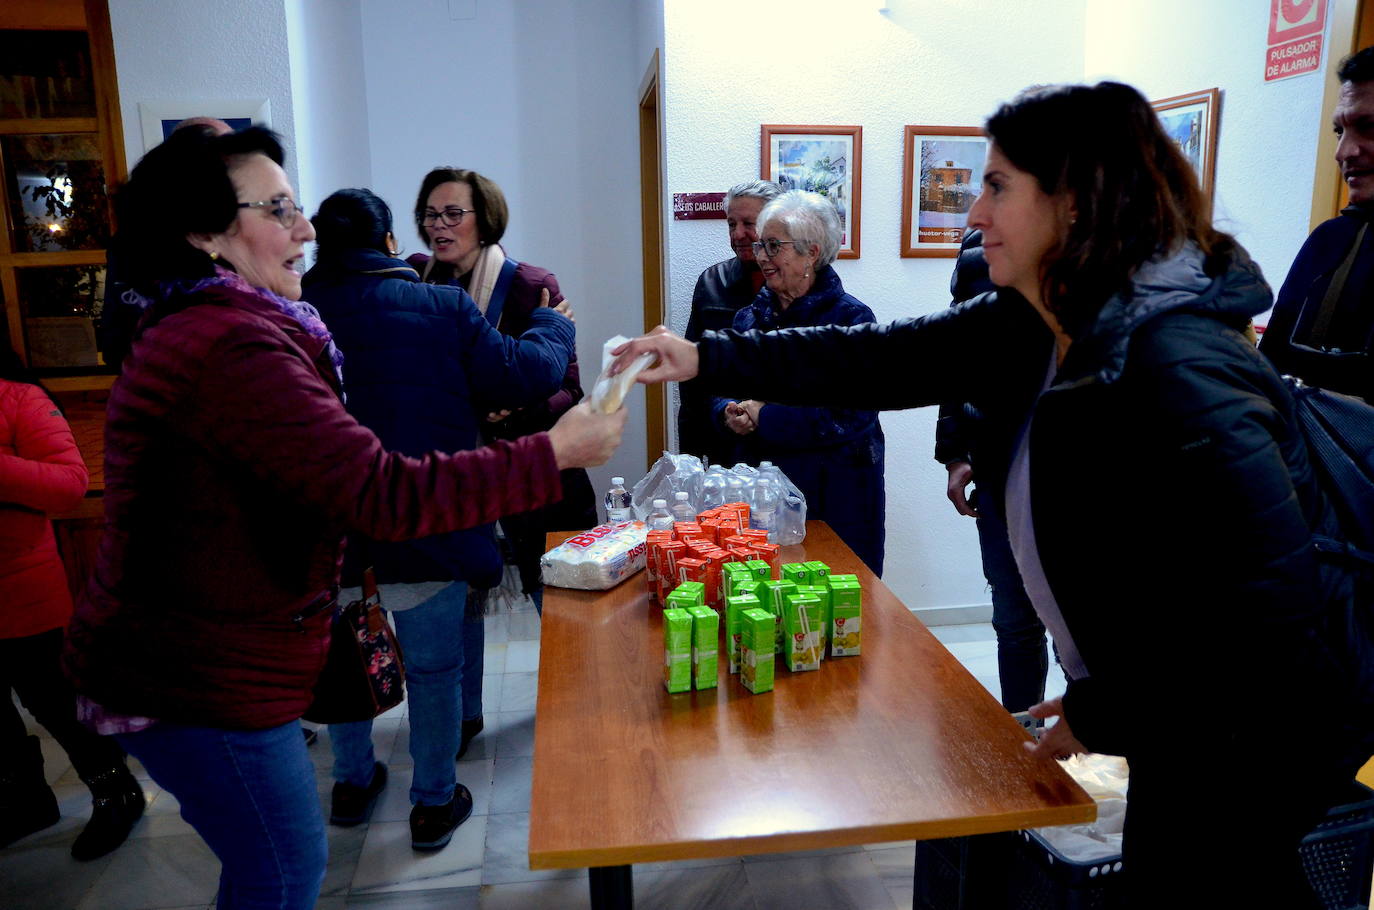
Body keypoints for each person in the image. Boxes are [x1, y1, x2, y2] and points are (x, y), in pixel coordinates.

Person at [612, 82, 1372, 907]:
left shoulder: (1181, 363)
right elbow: (881, 357)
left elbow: (1264, 604)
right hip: (1187, 710)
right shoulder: (1038, 316)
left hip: (1257, 724)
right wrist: (705, 356)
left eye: (998, 185)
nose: (974, 213)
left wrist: (1108, 705)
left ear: (1076, 201)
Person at [61, 127, 625, 910]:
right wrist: (554, 449)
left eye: (302, 208)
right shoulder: (231, 346)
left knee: (285, 851)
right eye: (279, 208)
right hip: (200, 671)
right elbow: (380, 491)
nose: (304, 229)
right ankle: (424, 793)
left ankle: (372, 784)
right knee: (284, 869)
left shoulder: (224, 323)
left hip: (223, 645)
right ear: (204, 236)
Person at [300, 187, 575, 849]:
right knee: (433, 670)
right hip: (430, 525)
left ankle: (353, 783)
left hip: (332, 534)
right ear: (392, 242)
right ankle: (431, 801)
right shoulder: (440, 306)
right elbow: (524, 374)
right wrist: (552, 325)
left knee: (345, 655)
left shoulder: (292, 317)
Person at [409, 167, 597, 621]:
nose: (439, 225)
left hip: (534, 471)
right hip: (451, 473)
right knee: (459, 619)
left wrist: (514, 410)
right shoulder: (415, 281)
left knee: (559, 613)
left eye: (454, 213)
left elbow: (569, 390)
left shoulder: (531, 285)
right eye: (431, 214)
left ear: (486, 218)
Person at [0, 345, 144, 860]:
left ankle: (116, 792)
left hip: (21, 592)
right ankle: (24, 799)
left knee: (58, 706)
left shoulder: (18, 399)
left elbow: (69, 485)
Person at [709, 189, 885, 574]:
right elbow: (720, 385)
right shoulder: (748, 319)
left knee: (838, 609)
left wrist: (765, 416)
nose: (763, 258)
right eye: (760, 246)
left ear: (812, 252)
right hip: (762, 493)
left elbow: (851, 415)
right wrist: (728, 410)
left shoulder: (851, 322)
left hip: (836, 495)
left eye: (774, 246)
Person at [935, 229, 1051, 713]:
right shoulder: (977, 251)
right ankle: (1024, 737)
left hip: (1080, 484)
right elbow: (955, 358)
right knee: (1015, 618)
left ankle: (1097, 753)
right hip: (999, 471)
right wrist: (956, 452)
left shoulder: (1110, 252)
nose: (978, 207)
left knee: (1084, 635)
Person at [1261, 46, 1374, 401]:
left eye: (1368, 127)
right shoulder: (1330, 243)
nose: (1343, 152)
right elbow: (1271, 374)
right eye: (1339, 131)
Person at [679, 179, 781, 465]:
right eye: (731, 224)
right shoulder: (712, 282)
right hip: (724, 440)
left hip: (784, 443)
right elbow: (693, 372)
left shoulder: (801, 285)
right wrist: (691, 453)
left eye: (749, 223)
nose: (738, 234)